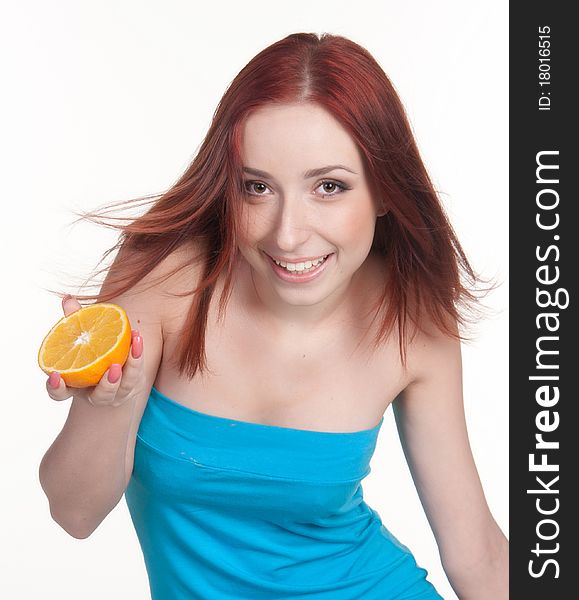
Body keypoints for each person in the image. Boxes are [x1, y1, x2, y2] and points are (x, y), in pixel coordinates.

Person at [39, 32, 508, 599]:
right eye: (257, 188)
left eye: (329, 187)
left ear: (385, 191)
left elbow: (476, 553)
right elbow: (74, 514)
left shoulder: (412, 321)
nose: (287, 234)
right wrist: (106, 406)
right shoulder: (164, 276)